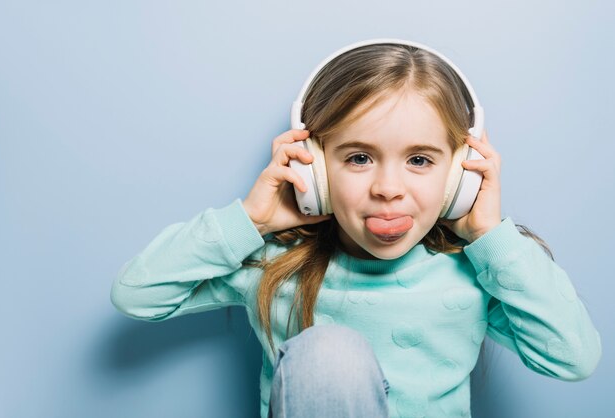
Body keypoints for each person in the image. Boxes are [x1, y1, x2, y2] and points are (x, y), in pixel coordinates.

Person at [110, 42, 601, 418]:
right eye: (359, 158)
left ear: (462, 175)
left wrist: (490, 236)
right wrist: (251, 220)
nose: (388, 188)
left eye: (420, 160)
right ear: (314, 171)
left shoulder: (472, 272)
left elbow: (572, 359)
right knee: (329, 355)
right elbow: (137, 295)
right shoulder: (277, 265)